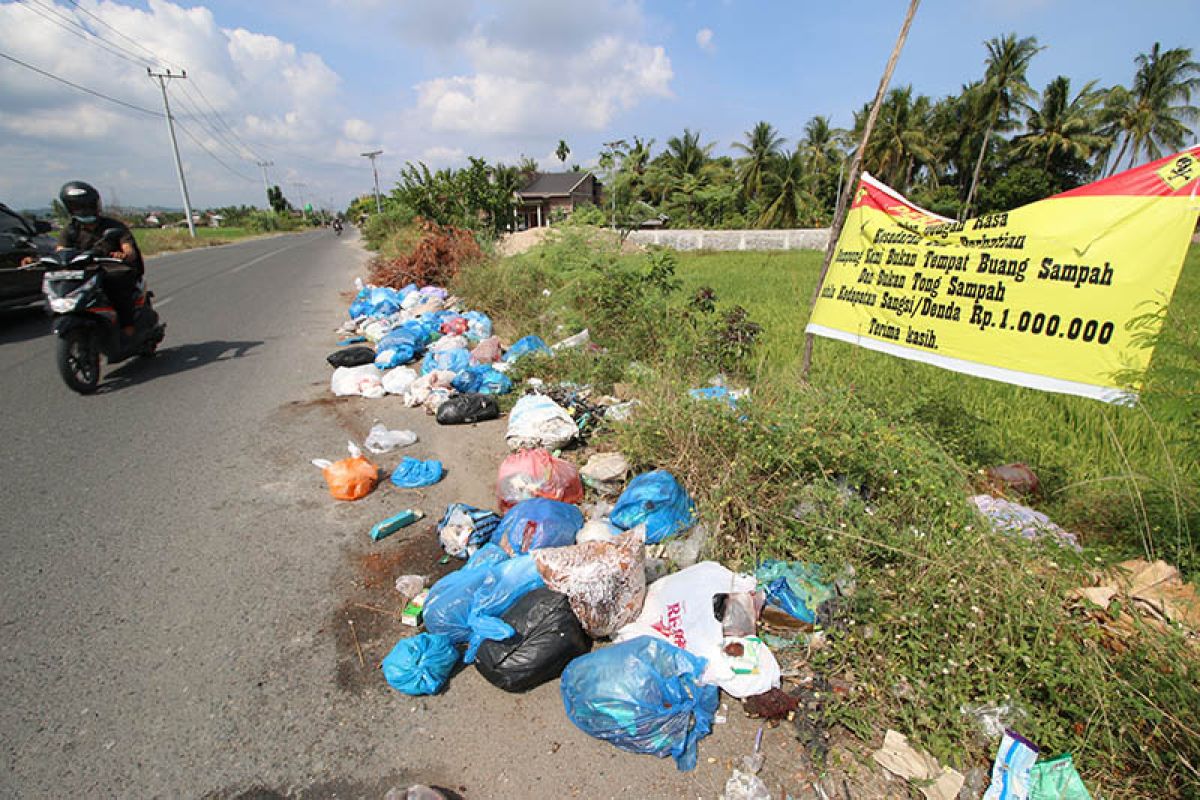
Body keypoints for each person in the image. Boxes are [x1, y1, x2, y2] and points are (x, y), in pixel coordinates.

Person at [57, 181, 145, 337]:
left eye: (87, 205)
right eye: (78, 207)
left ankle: (127, 325)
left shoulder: (114, 226)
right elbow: (61, 252)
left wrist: (123, 254)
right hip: (85, 272)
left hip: (112, 268)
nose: (84, 210)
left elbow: (128, 248)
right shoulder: (69, 231)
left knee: (117, 285)